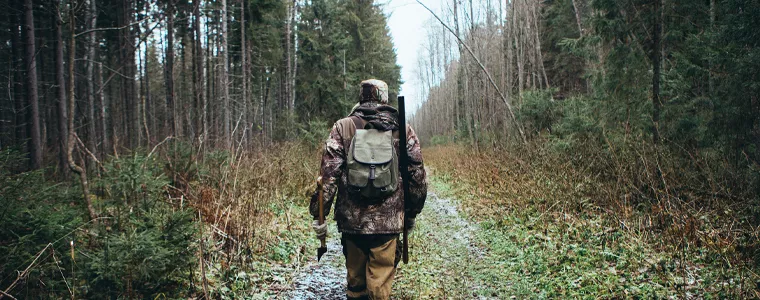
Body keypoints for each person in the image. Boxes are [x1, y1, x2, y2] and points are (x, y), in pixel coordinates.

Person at [309, 79, 428, 300]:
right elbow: (417, 176)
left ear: (361, 97)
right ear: (384, 97)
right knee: (379, 286)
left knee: (356, 283)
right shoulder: (402, 128)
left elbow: (328, 176)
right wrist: (411, 213)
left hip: (352, 223)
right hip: (388, 223)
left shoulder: (343, 127)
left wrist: (318, 212)